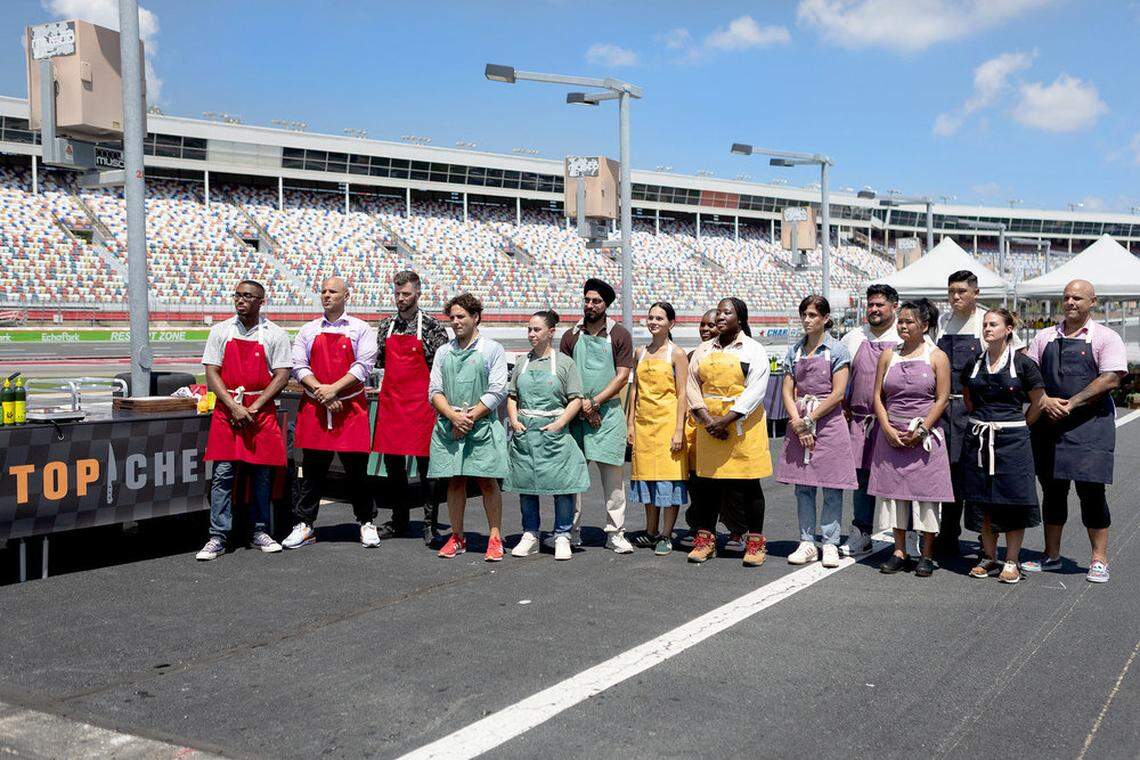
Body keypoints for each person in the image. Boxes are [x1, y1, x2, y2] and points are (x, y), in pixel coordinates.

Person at [1026, 279, 1125, 583]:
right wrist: (1043, 400)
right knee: (1053, 493)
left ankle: (1098, 560)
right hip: (1050, 425)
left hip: (1090, 426)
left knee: (1091, 492)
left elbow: (1110, 379)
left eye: (1078, 298)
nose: (1070, 302)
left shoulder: (1106, 337)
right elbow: (1028, 375)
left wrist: (1072, 403)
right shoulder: (1044, 338)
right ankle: (1051, 556)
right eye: (1067, 297)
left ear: (1092, 302)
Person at [196, 280, 292, 560]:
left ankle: (260, 530)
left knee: (261, 476)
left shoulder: (275, 334)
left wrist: (255, 407)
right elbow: (211, 372)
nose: (241, 300)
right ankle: (217, 536)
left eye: (248, 296)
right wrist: (233, 406)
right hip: (228, 412)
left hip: (259, 414)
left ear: (261, 301)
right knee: (222, 475)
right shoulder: (220, 331)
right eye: (237, 295)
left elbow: (282, 375)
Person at [283, 277, 379, 549]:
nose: (326, 295)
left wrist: (334, 390)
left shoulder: (360, 329)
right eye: (323, 291)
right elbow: (299, 366)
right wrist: (322, 394)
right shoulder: (308, 330)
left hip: (350, 408)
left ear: (346, 295)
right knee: (312, 470)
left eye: (332, 291)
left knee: (357, 471)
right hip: (316, 407)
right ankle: (304, 524)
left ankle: (366, 521)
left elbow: (364, 366)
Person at [935, 270, 1025, 559]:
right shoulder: (941, 321)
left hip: (974, 409)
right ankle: (947, 535)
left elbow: (1016, 359)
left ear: (976, 293)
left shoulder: (987, 321)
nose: (956, 296)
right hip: (942, 406)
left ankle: (983, 541)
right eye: (951, 291)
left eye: (962, 291)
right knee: (945, 473)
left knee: (972, 474)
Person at [868, 299, 953, 577]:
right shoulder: (888, 355)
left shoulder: (936, 356)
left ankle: (926, 554)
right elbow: (877, 397)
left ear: (925, 325)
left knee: (927, 497)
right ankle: (899, 550)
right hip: (891, 434)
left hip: (924, 436)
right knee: (895, 496)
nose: (903, 326)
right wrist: (887, 428)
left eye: (909, 322)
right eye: (900, 321)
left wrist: (922, 429)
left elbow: (941, 399)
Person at [960, 308, 1045, 584]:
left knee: (1012, 501)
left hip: (1012, 441)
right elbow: (968, 397)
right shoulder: (974, 361)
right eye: (985, 324)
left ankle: (1011, 560)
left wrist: (1018, 427)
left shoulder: (1023, 364)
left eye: (993, 324)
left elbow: (1038, 402)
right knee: (982, 499)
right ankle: (988, 556)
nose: (987, 329)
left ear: (1008, 329)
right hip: (979, 438)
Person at [685, 297, 772, 567]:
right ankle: (706, 539)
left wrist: (726, 421)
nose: (720, 317)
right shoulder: (703, 349)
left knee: (749, 486)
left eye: (727, 312)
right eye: (719, 312)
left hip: (742, 426)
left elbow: (756, 389)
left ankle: (755, 543)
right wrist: (707, 419)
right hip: (708, 424)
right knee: (706, 486)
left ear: (740, 318)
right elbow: (691, 386)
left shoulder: (753, 350)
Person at [777, 295, 857, 568]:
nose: (807, 320)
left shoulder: (836, 351)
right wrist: (797, 420)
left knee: (833, 486)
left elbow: (837, 394)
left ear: (825, 319)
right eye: (804, 315)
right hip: (801, 419)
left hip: (829, 422)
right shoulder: (795, 351)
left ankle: (830, 542)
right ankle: (807, 541)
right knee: (804, 487)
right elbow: (787, 390)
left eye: (812, 315)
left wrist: (810, 418)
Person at [428, 293, 510, 561]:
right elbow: (435, 391)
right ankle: (457, 536)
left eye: (461, 316)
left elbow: (498, 389)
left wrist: (469, 417)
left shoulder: (491, 349)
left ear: (476, 317)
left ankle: (495, 537)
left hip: (482, 426)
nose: (455, 321)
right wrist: (453, 416)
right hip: (451, 426)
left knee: (487, 482)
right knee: (454, 481)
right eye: (451, 317)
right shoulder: (443, 351)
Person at [557, 278, 636, 554]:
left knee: (613, 480)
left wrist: (595, 403)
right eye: (587, 300)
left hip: (608, 414)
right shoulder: (570, 336)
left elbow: (622, 376)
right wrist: (583, 405)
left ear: (606, 305)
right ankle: (569, 530)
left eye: (596, 301)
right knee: (572, 477)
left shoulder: (620, 335)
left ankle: (615, 532)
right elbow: (565, 375)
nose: (590, 305)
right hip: (576, 413)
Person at [504, 310, 590, 561]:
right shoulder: (522, 362)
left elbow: (576, 399)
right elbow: (512, 396)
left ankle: (562, 535)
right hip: (526, 432)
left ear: (551, 332)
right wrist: (514, 420)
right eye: (529, 329)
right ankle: (530, 534)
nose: (531, 334)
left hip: (554, 431)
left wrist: (559, 423)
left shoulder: (564, 363)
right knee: (526, 485)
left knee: (562, 486)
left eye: (537, 329)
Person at [372, 270, 449, 544]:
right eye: (397, 293)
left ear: (418, 293)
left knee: (428, 469)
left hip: (421, 406)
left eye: (406, 294)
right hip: (393, 404)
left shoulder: (431, 326)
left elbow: (441, 368)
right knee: (394, 469)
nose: (400, 299)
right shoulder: (386, 325)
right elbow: (381, 361)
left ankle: (430, 523)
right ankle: (399, 520)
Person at [839, 283, 900, 557]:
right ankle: (861, 532)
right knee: (861, 480)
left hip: (897, 423)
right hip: (860, 422)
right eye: (871, 305)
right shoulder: (853, 337)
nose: (874, 310)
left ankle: (904, 538)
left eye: (880, 305)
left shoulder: (906, 335)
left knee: (899, 481)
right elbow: (837, 377)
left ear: (894, 307)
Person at [680, 309, 747, 551]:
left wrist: (718, 422)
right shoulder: (693, 355)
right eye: (702, 324)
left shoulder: (737, 353)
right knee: (698, 485)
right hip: (696, 428)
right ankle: (699, 525)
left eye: (711, 324)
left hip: (725, 426)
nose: (706, 329)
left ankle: (737, 530)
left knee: (730, 486)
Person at [626, 302, 689, 556]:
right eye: (650, 318)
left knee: (668, 481)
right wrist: (630, 423)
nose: (653, 322)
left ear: (670, 323)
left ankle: (666, 533)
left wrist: (678, 430)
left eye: (659, 318)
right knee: (648, 480)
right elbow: (634, 390)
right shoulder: (640, 352)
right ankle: (650, 531)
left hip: (666, 425)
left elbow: (682, 394)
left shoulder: (677, 354)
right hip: (643, 425)